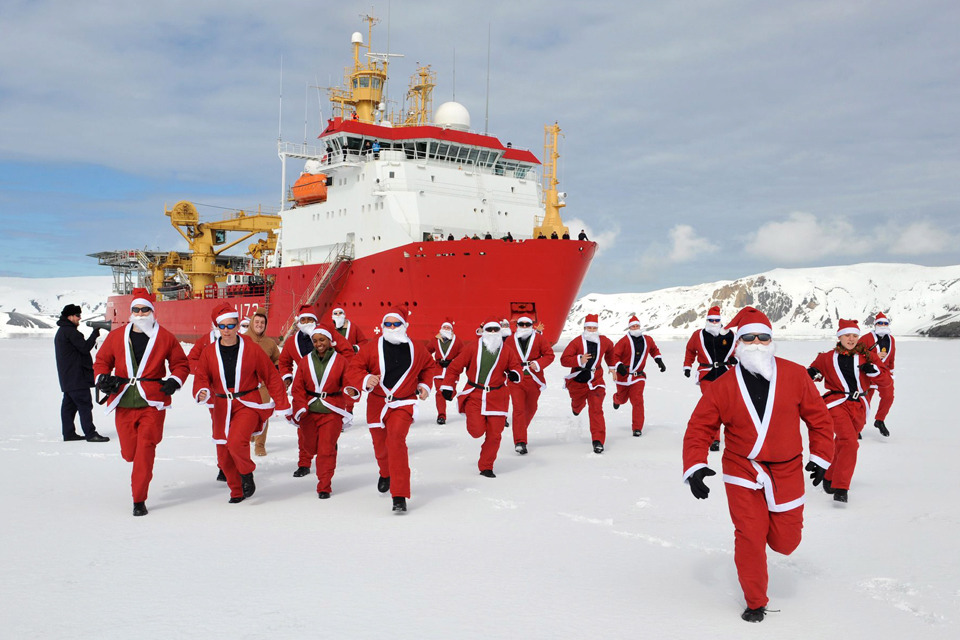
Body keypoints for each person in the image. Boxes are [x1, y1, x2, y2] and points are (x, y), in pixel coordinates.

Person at [682, 306, 835, 623]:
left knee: (786, 541)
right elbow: (699, 427)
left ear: (772, 340)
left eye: (763, 337)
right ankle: (755, 600)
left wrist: (821, 457)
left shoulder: (795, 375)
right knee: (750, 536)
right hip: (742, 468)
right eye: (748, 337)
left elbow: (819, 420)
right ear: (737, 344)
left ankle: (771, 530)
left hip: (788, 467)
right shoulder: (723, 385)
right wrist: (695, 465)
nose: (756, 343)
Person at [93, 290, 189, 516]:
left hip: (152, 403)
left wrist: (174, 381)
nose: (140, 313)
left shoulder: (165, 337)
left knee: (145, 449)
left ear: (152, 312)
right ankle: (136, 464)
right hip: (124, 400)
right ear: (131, 312)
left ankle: (139, 499)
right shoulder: (117, 336)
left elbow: (180, 364)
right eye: (136, 310)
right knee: (129, 453)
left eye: (145, 309)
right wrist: (102, 380)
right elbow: (102, 361)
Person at [193, 304, 290, 503]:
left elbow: (271, 376)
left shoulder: (251, 348)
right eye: (222, 326)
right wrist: (202, 391)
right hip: (221, 406)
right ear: (217, 327)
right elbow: (201, 376)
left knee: (237, 442)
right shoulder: (209, 352)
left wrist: (281, 402)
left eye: (231, 326)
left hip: (247, 403)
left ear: (239, 326)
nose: (227, 330)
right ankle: (236, 491)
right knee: (223, 457)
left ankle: (247, 474)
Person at [345, 310, 439, 513]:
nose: (392, 328)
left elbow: (429, 367)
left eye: (396, 324)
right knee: (380, 445)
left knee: (396, 440)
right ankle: (385, 473)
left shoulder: (417, 349)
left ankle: (399, 494)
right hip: (377, 404)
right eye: (387, 324)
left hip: (403, 404)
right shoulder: (371, 348)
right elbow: (354, 368)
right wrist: (364, 379)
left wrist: (425, 385)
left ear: (405, 326)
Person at [808, 319, 890, 503]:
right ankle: (841, 487)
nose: (851, 339)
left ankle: (829, 477)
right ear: (839, 337)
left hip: (860, 406)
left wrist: (875, 372)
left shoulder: (868, 357)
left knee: (843, 443)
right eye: (847, 335)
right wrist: (812, 372)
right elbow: (812, 374)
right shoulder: (826, 357)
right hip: (836, 403)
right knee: (850, 442)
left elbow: (886, 382)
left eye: (854, 335)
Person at [441, 318, 523, 477]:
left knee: (495, 435)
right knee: (476, 431)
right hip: (475, 395)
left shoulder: (507, 351)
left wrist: (515, 374)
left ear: (500, 331)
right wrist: (448, 386)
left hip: (498, 397)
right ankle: (477, 423)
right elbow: (454, 368)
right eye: (490, 329)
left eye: (496, 330)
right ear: (484, 331)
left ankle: (486, 466)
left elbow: (516, 368)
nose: (493, 333)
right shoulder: (472, 348)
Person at [290, 326, 353, 499]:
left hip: (331, 410)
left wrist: (352, 391)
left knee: (325, 450)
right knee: (309, 447)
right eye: (315, 340)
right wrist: (301, 406)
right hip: (309, 411)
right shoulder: (305, 361)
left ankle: (324, 485)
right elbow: (297, 388)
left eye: (322, 340)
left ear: (329, 340)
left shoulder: (341, 361)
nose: (319, 344)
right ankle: (327, 446)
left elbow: (348, 383)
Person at [683, 305, 737, 451]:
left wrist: (734, 359)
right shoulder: (698, 335)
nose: (714, 323)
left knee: (726, 406)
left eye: (716, 320)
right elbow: (690, 351)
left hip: (725, 373)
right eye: (711, 320)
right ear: (707, 320)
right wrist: (687, 366)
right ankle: (715, 439)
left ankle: (735, 434)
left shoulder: (729, 335)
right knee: (713, 406)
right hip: (706, 374)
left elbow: (737, 350)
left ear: (720, 321)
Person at [560, 314, 616, 453]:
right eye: (589, 328)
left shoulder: (604, 341)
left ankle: (597, 441)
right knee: (577, 403)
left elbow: (610, 351)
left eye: (594, 328)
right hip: (578, 381)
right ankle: (576, 407)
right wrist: (579, 359)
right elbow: (564, 360)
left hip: (596, 380)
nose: (591, 331)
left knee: (596, 409)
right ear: (584, 328)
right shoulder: (576, 342)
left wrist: (612, 367)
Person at [54, 303, 109, 443]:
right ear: (70, 316)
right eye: (77, 315)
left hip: (68, 378)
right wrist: (94, 334)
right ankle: (91, 434)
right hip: (77, 378)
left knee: (68, 407)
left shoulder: (62, 331)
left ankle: (69, 434)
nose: (80, 318)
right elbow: (84, 348)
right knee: (84, 405)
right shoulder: (70, 332)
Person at [503, 315, 555, 454]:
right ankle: (520, 441)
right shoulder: (509, 340)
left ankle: (520, 430)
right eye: (522, 324)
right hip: (516, 379)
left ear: (532, 325)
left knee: (531, 408)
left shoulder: (539, 339)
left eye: (527, 324)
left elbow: (549, 355)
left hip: (533, 379)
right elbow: (503, 357)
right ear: (517, 325)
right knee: (518, 409)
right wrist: (508, 371)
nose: (524, 327)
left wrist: (538, 364)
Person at [611, 315, 665, 437]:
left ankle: (637, 428)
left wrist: (659, 360)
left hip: (638, 377)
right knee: (623, 399)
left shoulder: (648, 340)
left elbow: (654, 350)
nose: (635, 328)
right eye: (633, 326)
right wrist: (619, 365)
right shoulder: (623, 341)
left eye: (637, 326)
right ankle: (616, 399)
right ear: (629, 328)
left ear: (639, 326)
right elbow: (614, 355)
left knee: (637, 401)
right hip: (623, 377)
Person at [246, 309, 281, 456]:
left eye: (262, 322)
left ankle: (260, 445)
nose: (259, 325)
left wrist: (277, 370)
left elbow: (277, 359)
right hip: (244, 385)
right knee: (246, 413)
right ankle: (249, 435)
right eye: (257, 322)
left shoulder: (270, 343)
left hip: (263, 385)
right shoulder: (241, 339)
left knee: (263, 414)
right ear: (252, 323)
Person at [857, 312, 896, 437]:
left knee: (889, 396)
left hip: (883, 373)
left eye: (885, 323)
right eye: (880, 323)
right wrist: (874, 356)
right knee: (865, 401)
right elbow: (857, 354)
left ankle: (880, 420)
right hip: (868, 373)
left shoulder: (891, 339)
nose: (883, 325)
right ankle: (857, 427)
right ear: (875, 325)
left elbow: (892, 356)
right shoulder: (866, 338)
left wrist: (891, 370)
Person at [428, 320, 464, 425]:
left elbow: (463, 355)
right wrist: (430, 363)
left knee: (450, 391)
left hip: (451, 370)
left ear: (451, 330)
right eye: (444, 327)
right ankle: (441, 416)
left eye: (448, 328)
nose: (446, 329)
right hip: (438, 370)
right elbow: (426, 351)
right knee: (439, 393)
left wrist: (454, 362)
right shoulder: (435, 340)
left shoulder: (457, 341)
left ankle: (451, 395)